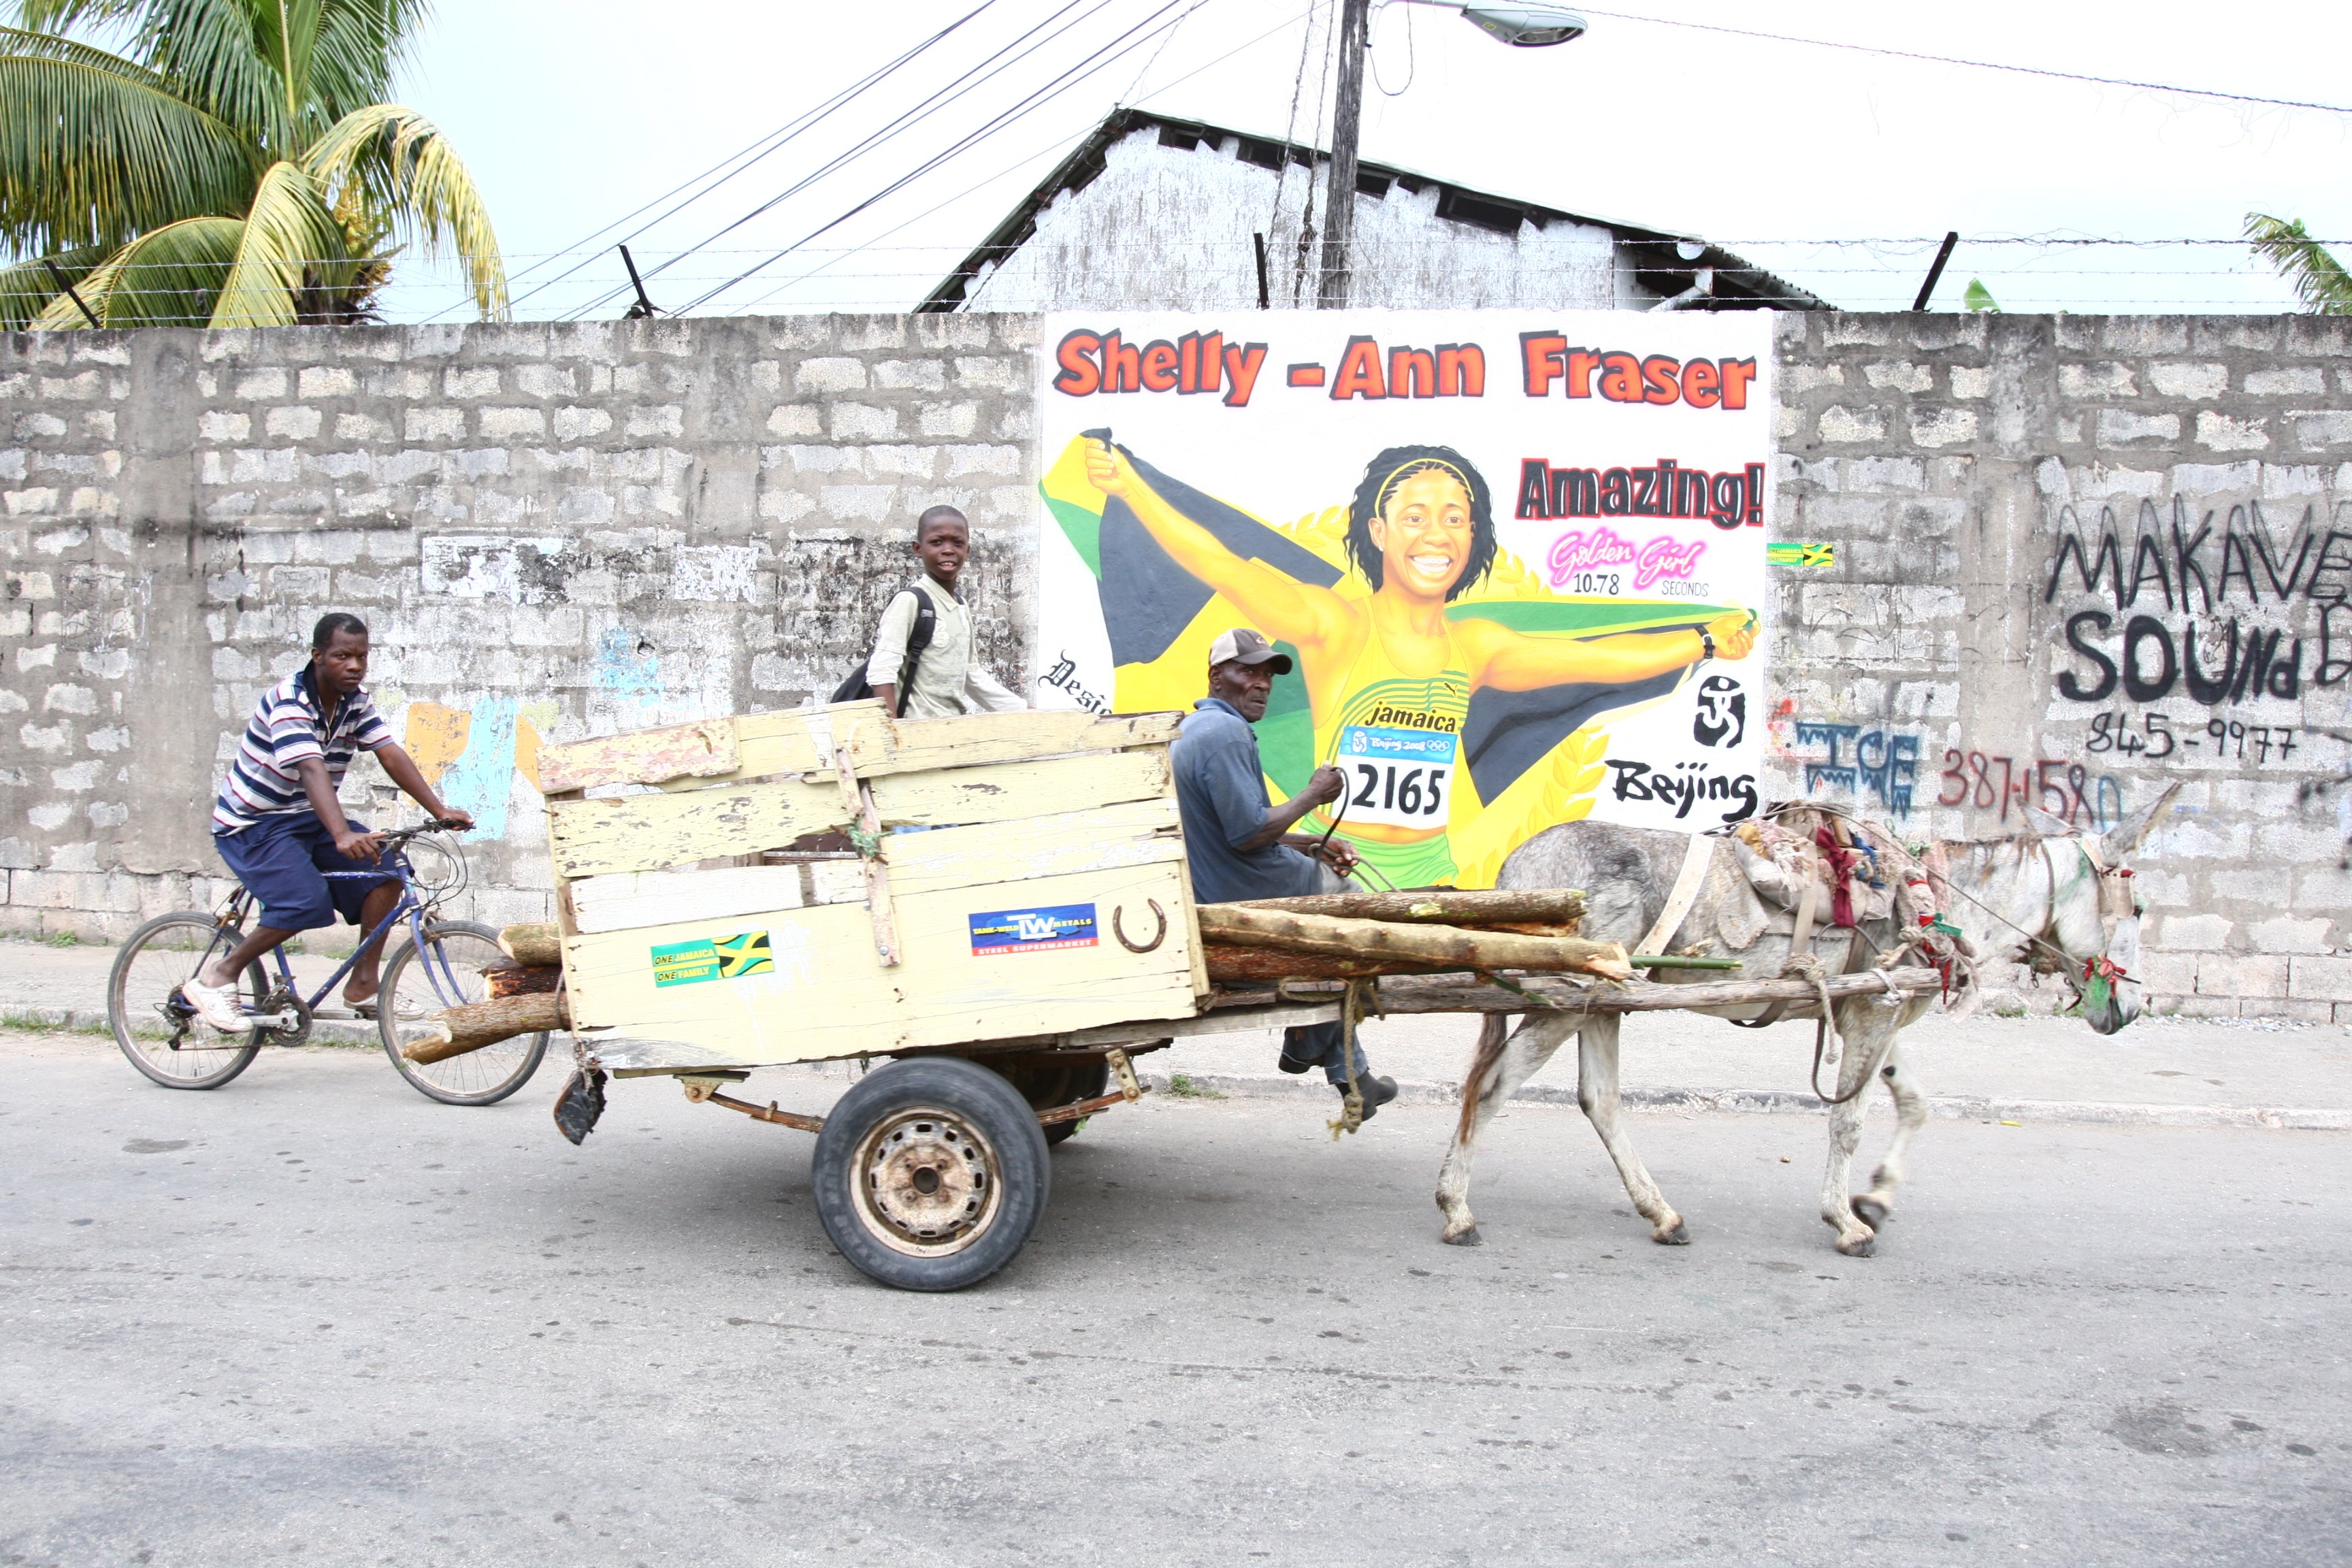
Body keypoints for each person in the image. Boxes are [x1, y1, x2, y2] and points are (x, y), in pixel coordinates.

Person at [1085, 439, 1757, 885]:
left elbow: (1602, 661)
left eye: (1455, 518)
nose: (1436, 533)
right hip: (1336, 862)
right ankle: (1326, 1047)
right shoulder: (1335, 625)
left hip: (1430, 868)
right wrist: (1134, 490)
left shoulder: (1478, 646)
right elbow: (1218, 561)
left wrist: (1702, 642)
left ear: (1474, 536)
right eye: (1414, 516)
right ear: (1377, 532)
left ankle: (1325, 1046)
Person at [177, 613, 473, 1032]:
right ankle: (219, 976)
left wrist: (437, 809)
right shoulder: (289, 703)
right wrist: (340, 833)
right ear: (318, 657)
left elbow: (389, 752)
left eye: (361, 657)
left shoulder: (356, 700)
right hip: (253, 824)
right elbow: (312, 770)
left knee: (385, 868)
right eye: (342, 656)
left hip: (305, 818)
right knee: (303, 902)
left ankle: (364, 985)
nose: (354, 665)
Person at [1171, 627, 1397, 1119]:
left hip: (1224, 878)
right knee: (1350, 912)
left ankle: (1332, 1063)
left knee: (1327, 898)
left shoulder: (1196, 730)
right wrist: (1314, 795)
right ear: (1217, 677)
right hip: (1243, 884)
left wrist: (1312, 841)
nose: (1263, 684)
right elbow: (1248, 833)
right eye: (1248, 671)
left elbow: (1233, 825)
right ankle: (1329, 1057)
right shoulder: (1224, 734)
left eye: (1267, 674)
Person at [866, 505, 1024, 719]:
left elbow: (971, 675)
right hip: (914, 737)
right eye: (936, 542)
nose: (948, 550)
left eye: (957, 543)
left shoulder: (961, 606)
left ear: (968, 550)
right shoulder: (910, 601)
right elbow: (882, 671)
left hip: (949, 735)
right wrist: (892, 734)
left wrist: (1025, 711)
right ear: (918, 549)